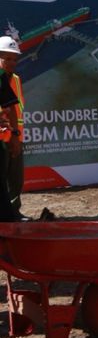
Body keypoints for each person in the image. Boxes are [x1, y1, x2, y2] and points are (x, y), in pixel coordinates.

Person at [0, 37, 26, 221]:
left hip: (15, 135)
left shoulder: (15, 80)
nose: (11, 63)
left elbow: (16, 110)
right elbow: (7, 110)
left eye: (14, 59)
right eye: (7, 58)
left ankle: (14, 212)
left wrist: (17, 136)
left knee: (15, 178)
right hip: (4, 138)